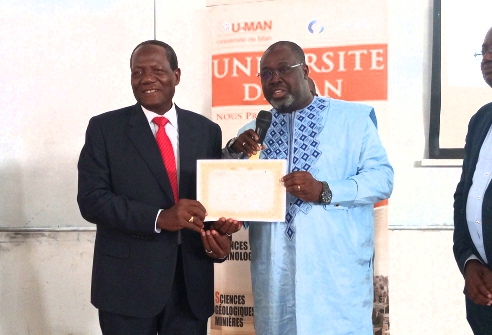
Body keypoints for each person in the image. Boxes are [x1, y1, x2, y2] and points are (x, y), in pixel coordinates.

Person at [222, 41, 394, 334]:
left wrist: (325, 190)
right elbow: (246, 201)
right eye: (265, 74)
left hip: (335, 274)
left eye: (283, 69)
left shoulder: (352, 119)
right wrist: (234, 215)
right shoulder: (250, 133)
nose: (274, 78)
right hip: (276, 275)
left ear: (304, 70)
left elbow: (382, 179)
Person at [77, 40, 239, 335]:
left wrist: (220, 242)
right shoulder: (105, 129)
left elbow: (212, 201)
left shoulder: (206, 131)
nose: (146, 78)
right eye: (137, 72)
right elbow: (91, 200)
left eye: (157, 70)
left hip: (191, 288)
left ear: (176, 75)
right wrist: (159, 217)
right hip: (127, 289)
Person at [453, 27, 492, 335]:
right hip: (482, 291)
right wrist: (468, 260)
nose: (487, 57)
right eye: (484, 50)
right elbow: (464, 196)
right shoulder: (481, 119)